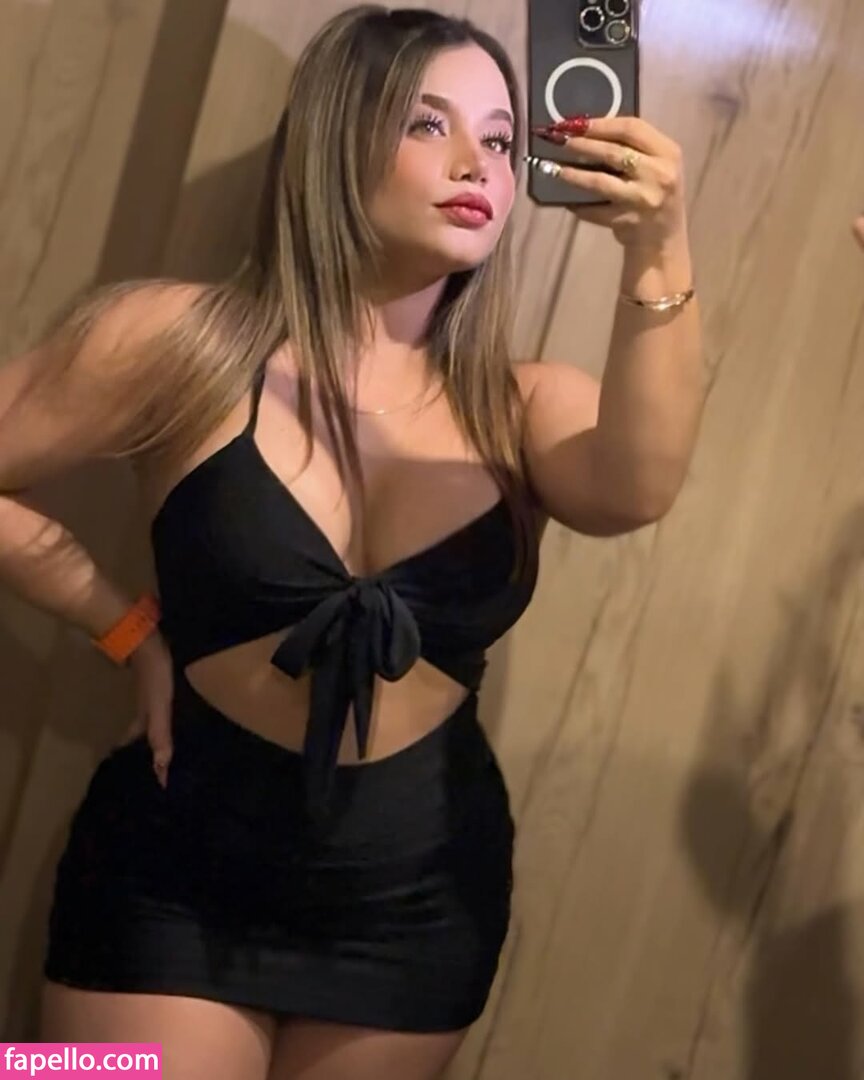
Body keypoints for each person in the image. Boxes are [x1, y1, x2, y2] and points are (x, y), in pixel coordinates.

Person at [0, 6, 703, 1079]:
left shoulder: (521, 406)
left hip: (417, 909)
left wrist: (658, 244)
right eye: (427, 124)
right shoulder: (177, 344)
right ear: (337, 139)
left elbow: (637, 489)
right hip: (166, 881)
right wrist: (123, 627)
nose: (476, 162)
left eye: (501, 139)